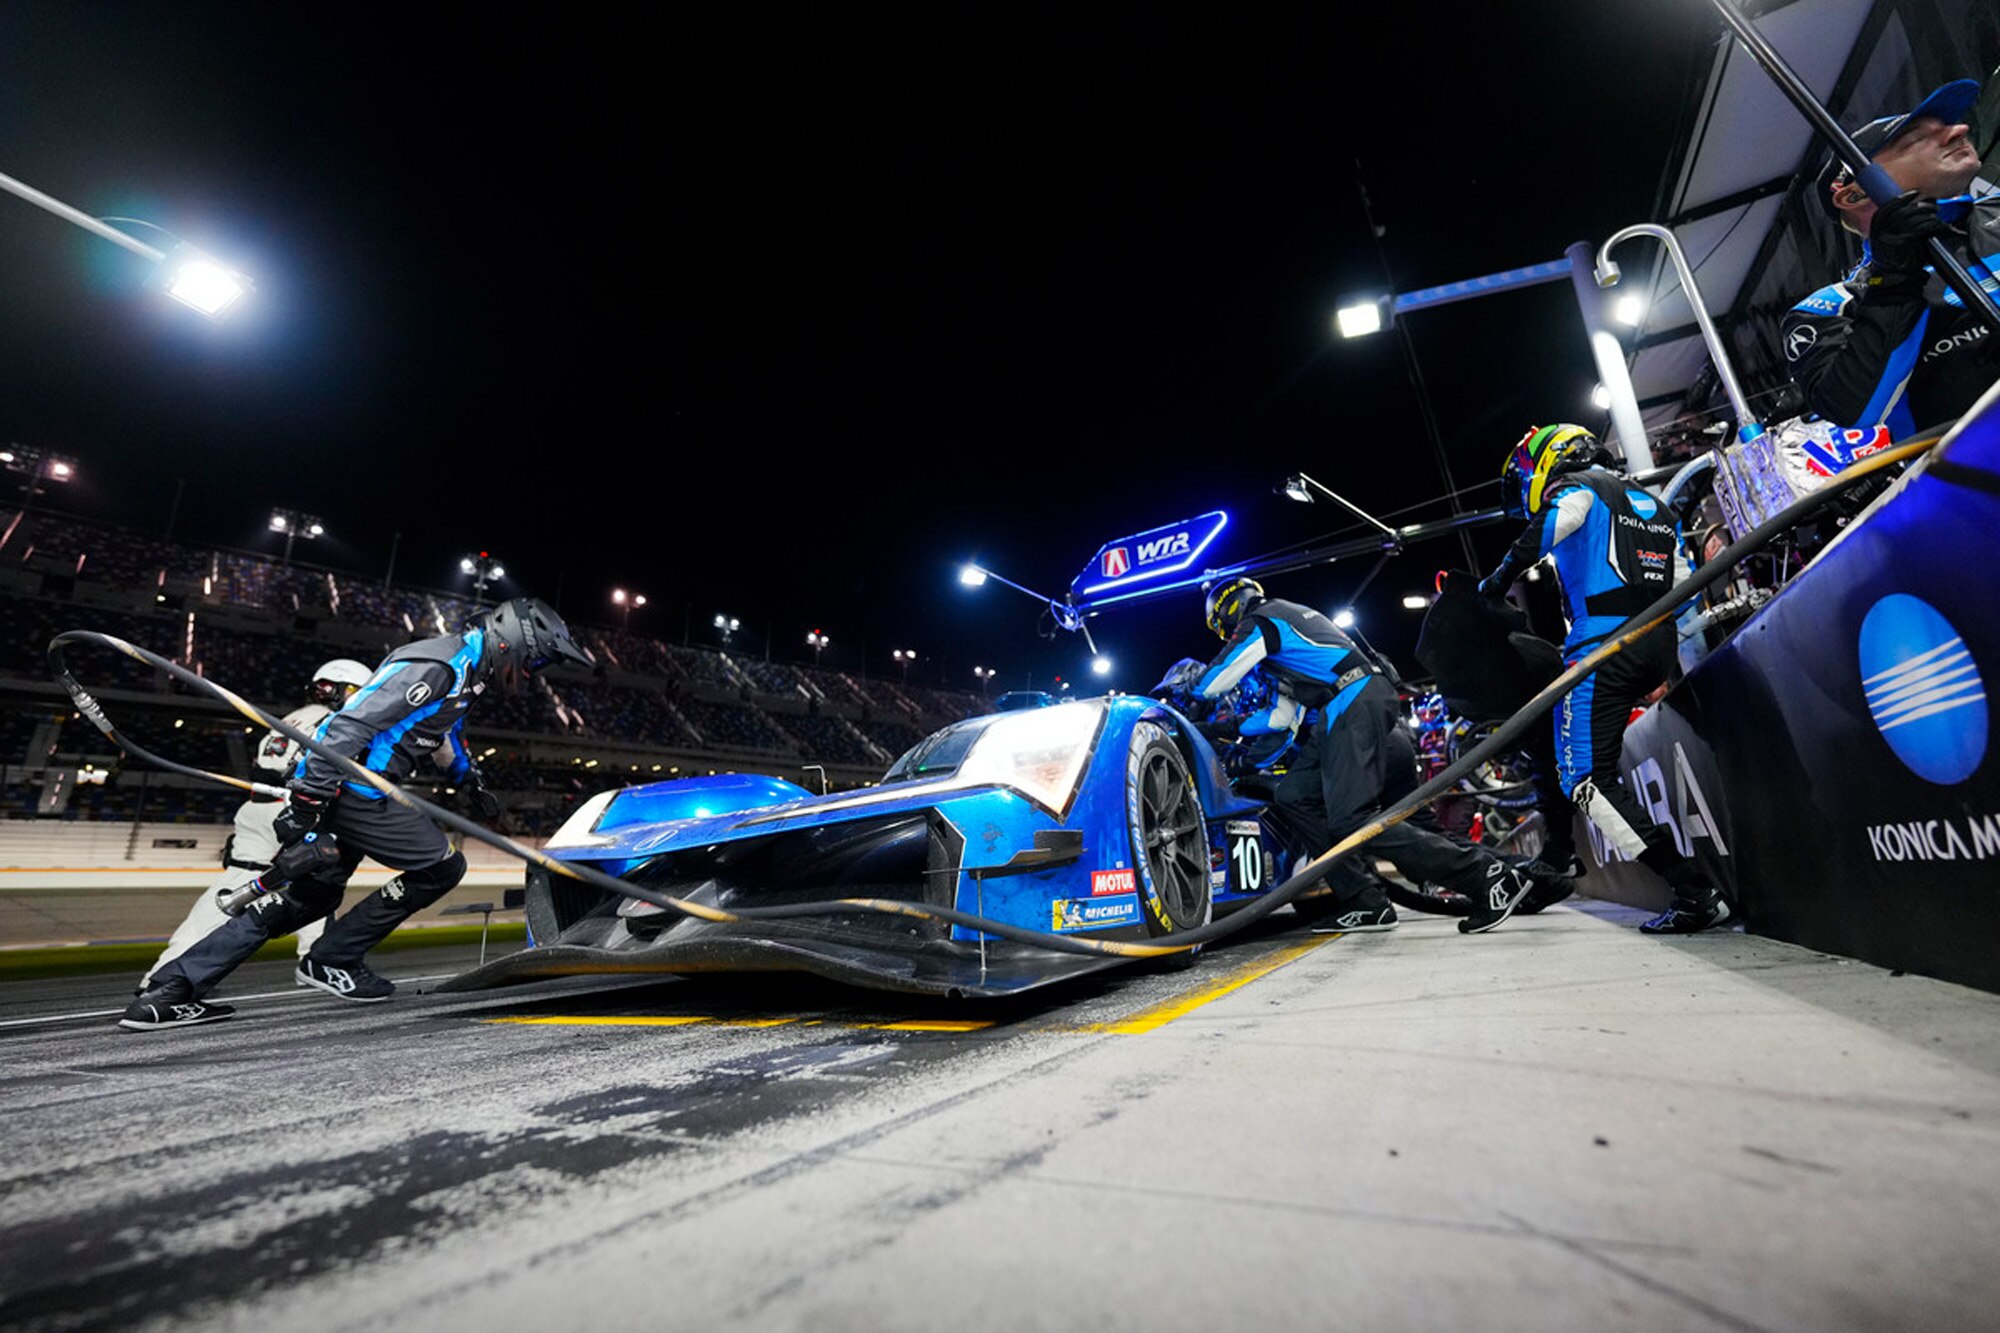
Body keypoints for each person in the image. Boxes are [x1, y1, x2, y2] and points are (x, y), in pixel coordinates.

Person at [119, 597, 593, 1031]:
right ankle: (333, 958)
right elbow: (349, 723)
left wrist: (468, 778)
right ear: (512, 640)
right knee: (443, 866)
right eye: (535, 662)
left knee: (308, 896)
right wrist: (309, 796)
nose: (532, 674)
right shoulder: (438, 665)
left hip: (347, 790)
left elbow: (442, 730)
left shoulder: (469, 670)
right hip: (354, 790)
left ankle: (171, 991)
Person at [1192, 577, 1554, 936]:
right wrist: (1217, 733)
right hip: (1348, 704)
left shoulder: (1261, 621)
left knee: (1353, 821)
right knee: (1294, 795)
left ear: (1225, 613)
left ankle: (1484, 876)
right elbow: (1280, 717)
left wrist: (1183, 693)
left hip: (1351, 702)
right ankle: (1365, 900)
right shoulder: (1285, 623)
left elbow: (1210, 683)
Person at [1480, 424, 1731, 935]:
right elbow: (1685, 588)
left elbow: (1550, 526)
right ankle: (1564, 858)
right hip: (1654, 646)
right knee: (1589, 770)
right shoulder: (1655, 506)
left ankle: (1692, 890)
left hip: (1602, 649)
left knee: (1586, 781)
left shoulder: (1577, 490)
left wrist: (1496, 581)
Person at [138, 658, 373, 989]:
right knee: (319, 888)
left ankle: (161, 976)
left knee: (230, 891)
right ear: (349, 691)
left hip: (256, 808)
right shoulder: (341, 720)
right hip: (296, 810)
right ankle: (319, 966)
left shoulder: (289, 718)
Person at [1782, 79, 1999, 438]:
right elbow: (1855, 408)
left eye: (1948, 125)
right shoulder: (1830, 306)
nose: (1959, 129)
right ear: (1853, 196)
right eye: (1915, 140)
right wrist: (1894, 281)